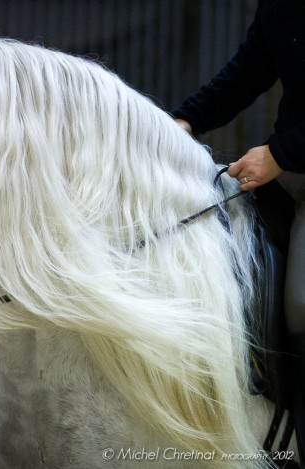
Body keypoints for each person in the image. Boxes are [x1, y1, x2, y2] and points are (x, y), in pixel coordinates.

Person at [171, 0, 305, 459]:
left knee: (302, 302)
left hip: (291, 160)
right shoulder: (280, 7)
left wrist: (281, 154)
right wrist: (184, 121)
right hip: (289, 165)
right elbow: (248, 70)